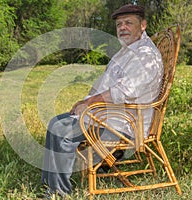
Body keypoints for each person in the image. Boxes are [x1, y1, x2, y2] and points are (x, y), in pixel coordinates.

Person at [41, 4, 163, 198]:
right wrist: (84, 101)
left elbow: (123, 92)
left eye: (128, 23)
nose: (122, 27)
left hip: (125, 124)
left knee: (63, 132)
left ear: (143, 25)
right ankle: (50, 185)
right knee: (56, 122)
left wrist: (90, 104)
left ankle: (58, 193)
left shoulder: (145, 56)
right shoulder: (125, 52)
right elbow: (102, 84)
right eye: (119, 24)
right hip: (107, 115)